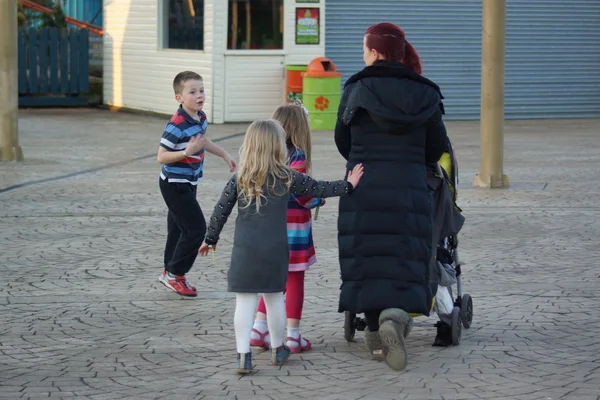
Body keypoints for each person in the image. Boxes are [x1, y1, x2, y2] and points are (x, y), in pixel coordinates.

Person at [198, 120, 364, 375]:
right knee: (275, 300)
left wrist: (210, 239)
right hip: (275, 251)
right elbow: (319, 188)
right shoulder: (287, 176)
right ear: (278, 146)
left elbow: (221, 209)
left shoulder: (239, 178)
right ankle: (278, 348)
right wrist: (349, 185)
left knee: (244, 303)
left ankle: (243, 356)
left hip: (245, 252)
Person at [334, 22, 449, 371]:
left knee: (367, 258)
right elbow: (436, 148)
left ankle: (373, 334)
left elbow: (343, 141)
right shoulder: (426, 92)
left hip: (363, 186)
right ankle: (394, 320)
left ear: (374, 51)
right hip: (409, 187)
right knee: (404, 257)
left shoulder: (356, 87)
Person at [250, 104, 323, 353]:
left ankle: (258, 329)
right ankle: (292, 335)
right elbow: (303, 194)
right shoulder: (298, 156)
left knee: (273, 281)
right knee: (294, 280)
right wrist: (318, 199)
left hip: (270, 228)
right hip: (294, 229)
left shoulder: (267, 156)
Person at [157, 71, 237, 297]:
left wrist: (224, 155)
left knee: (178, 228)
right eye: (192, 92)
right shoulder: (176, 124)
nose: (199, 95)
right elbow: (161, 156)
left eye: (201, 90)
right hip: (174, 184)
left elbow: (202, 140)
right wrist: (185, 152)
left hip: (188, 182)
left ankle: (169, 272)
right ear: (179, 98)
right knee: (196, 229)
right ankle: (176, 274)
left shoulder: (200, 117)